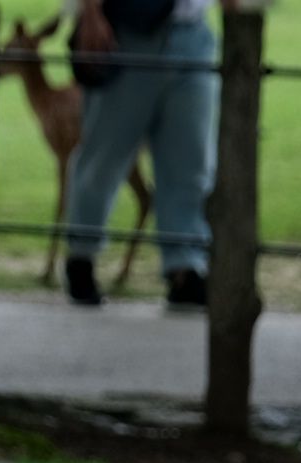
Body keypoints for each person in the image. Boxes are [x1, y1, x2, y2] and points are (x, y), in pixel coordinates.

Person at [62, 0, 219, 308]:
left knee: (190, 159)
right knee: (103, 155)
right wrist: (90, 13)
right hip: (126, 32)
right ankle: (81, 256)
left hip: (192, 31)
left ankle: (185, 267)